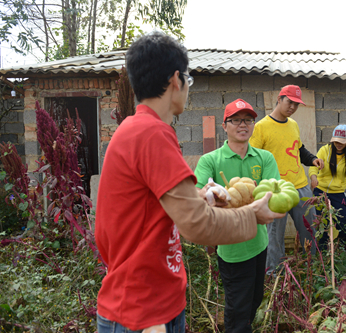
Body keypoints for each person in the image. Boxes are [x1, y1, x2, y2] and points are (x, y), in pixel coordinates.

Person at [94, 32, 285, 333]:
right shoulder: (151, 134)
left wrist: (201, 196)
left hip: (148, 302)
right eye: (189, 80)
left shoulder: (135, 129)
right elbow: (197, 226)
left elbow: (154, 208)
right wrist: (253, 215)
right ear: (175, 80)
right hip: (143, 312)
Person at [194, 99, 280, 332]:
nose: (243, 125)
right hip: (232, 249)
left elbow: (273, 191)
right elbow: (198, 193)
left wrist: (250, 195)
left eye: (248, 120)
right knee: (237, 311)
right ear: (225, 125)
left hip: (259, 243)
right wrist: (212, 193)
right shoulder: (210, 160)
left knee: (254, 300)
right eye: (236, 120)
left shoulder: (264, 158)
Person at [249, 85, 324, 273]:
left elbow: (298, 149)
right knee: (274, 236)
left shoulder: (293, 124)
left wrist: (312, 159)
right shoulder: (261, 127)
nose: (292, 107)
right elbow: (253, 158)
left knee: (310, 228)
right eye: (289, 102)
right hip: (275, 190)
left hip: (300, 186)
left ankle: (312, 266)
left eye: (296, 104)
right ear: (279, 98)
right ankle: (274, 274)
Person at [309, 124, 346, 247]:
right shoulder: (325, 150)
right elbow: (313, 166)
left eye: (341, 142)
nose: (338, 144)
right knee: (322, 224)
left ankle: (343, 251)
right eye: (336, 141)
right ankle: (323, 252)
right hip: (320, 193)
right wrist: (314, 178)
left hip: (338, 194)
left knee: (341, 223)